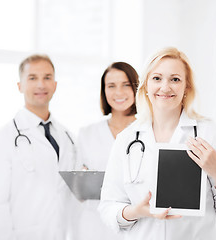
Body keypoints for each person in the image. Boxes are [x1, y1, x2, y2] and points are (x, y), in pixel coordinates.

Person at [99, 47, 216, 240]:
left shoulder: (207, 133)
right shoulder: (127, 139)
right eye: (157, 78)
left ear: (187, 87)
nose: (165, 87)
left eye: (175, 79)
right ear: (145, 85)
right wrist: (136, 211)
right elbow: (108, 207)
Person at [0, 54, 77, 240]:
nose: (41, 84)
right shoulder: (0, 140)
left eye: (47, 77)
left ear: (55, 85)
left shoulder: (68, 137)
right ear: (20, 86)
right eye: (32, 78)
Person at [75, 62, 139, 240]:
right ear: (104, 91)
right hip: (94, 225)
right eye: (111, 86)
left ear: (136, 88)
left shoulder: (150, 131)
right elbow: (77, 189)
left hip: (136, 224)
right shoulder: (87, 134)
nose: (119, 92)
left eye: (126, 85)